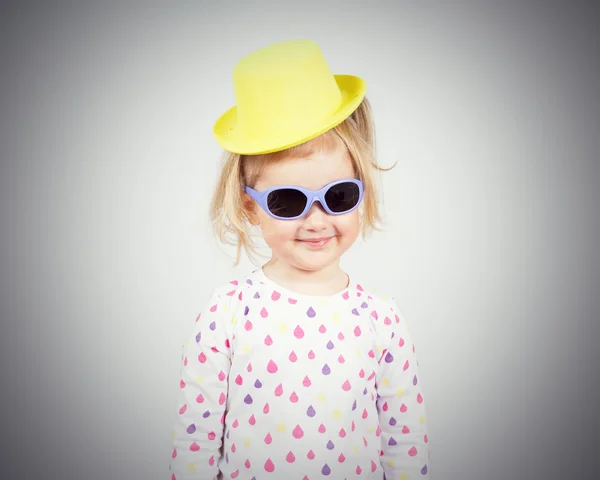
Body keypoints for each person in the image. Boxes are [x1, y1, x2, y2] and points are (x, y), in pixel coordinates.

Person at [169, 38, 431, 479]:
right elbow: (194, 442)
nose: (317, 220)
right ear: (250, 207)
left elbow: (405, 443)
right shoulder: (227, 312)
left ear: (361, 193)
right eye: (288, 202)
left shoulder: (382, 319)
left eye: (338, 196)